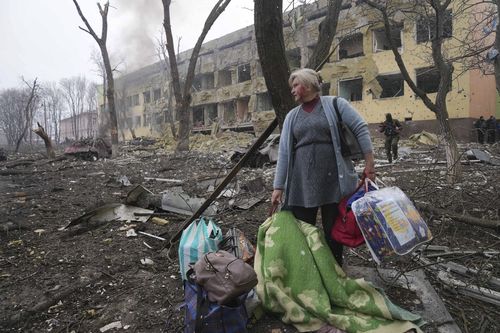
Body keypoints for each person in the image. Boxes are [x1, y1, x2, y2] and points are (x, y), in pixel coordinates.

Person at [271, 68, 375, 266]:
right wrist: (278, 187)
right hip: (302, 183)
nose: (292, 90)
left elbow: (360, 128)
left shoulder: (335, 104)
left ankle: (334, 270)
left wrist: (370, 164)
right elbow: (284, 152)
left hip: (334, 181)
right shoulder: (292, 116)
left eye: (295, 85)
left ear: (308, 85)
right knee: (302, 231)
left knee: (333, 233)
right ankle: (307, 270)